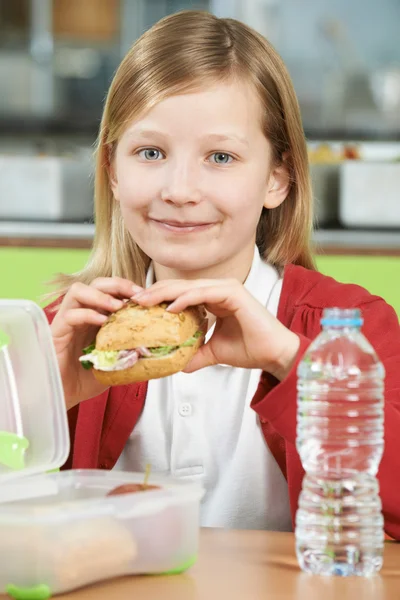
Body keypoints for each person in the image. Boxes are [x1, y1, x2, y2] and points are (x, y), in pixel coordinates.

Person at [47, 10, 400, 538]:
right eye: (150, 152)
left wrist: (289, 362)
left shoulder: (348, 332)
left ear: (277, 179)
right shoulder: (69, 333)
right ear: (112, 172)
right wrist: (36, 402)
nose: (180, 189)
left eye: (220, 156)